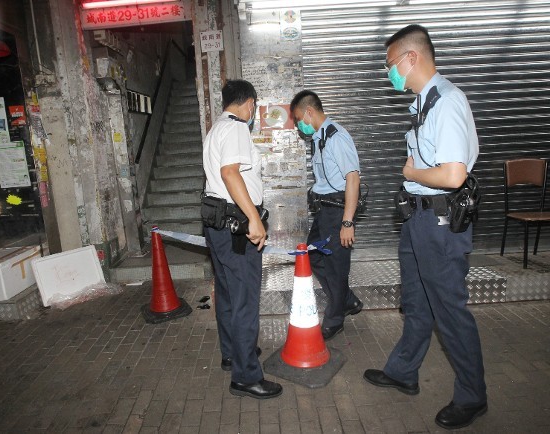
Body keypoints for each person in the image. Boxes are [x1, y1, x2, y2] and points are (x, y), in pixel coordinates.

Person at [363, 25, 487, 430]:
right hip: (418, 219)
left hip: (439, 222)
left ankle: (472, 397)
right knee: (416, 303)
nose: (388, 73)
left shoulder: (447, 102)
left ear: (411, 58)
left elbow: (452, 175)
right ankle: (403, 372)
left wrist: (411, 173)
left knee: (449, 311)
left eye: (390, 64)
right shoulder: (422, 104)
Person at [202, 79, 282, 399]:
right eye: (254, 106)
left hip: (217, 224)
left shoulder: (216, 129)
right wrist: (254, 218)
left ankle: (232, 354)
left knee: (227, 295)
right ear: (249, 103)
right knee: (245, 300)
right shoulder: (236, 127)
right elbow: (230, 173)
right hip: (236, 226)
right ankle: (246, 376)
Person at [290, 90, 363, 341]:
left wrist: (347, 222)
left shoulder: (336, 137)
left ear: (309, 112)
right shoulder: (319, 138)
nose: (299, 125)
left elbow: (353, 179)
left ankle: (335, 318)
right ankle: (347, 299)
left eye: (299, 118)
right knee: (313, 256)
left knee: (336, 267)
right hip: (324, 211)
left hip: (337, 211)